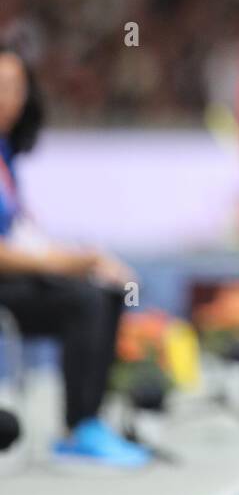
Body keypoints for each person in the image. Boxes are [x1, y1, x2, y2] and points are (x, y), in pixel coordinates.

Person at [0, 46, 151, 466]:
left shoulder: (7, 158)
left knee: (108, 290)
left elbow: (22, 234)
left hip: (18, 277)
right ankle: (79, 422)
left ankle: (86, 426)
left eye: (16, 87)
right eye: (1, 86)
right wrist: (61, 264)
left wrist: (87, 259)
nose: (9, 97)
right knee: (82, 299)